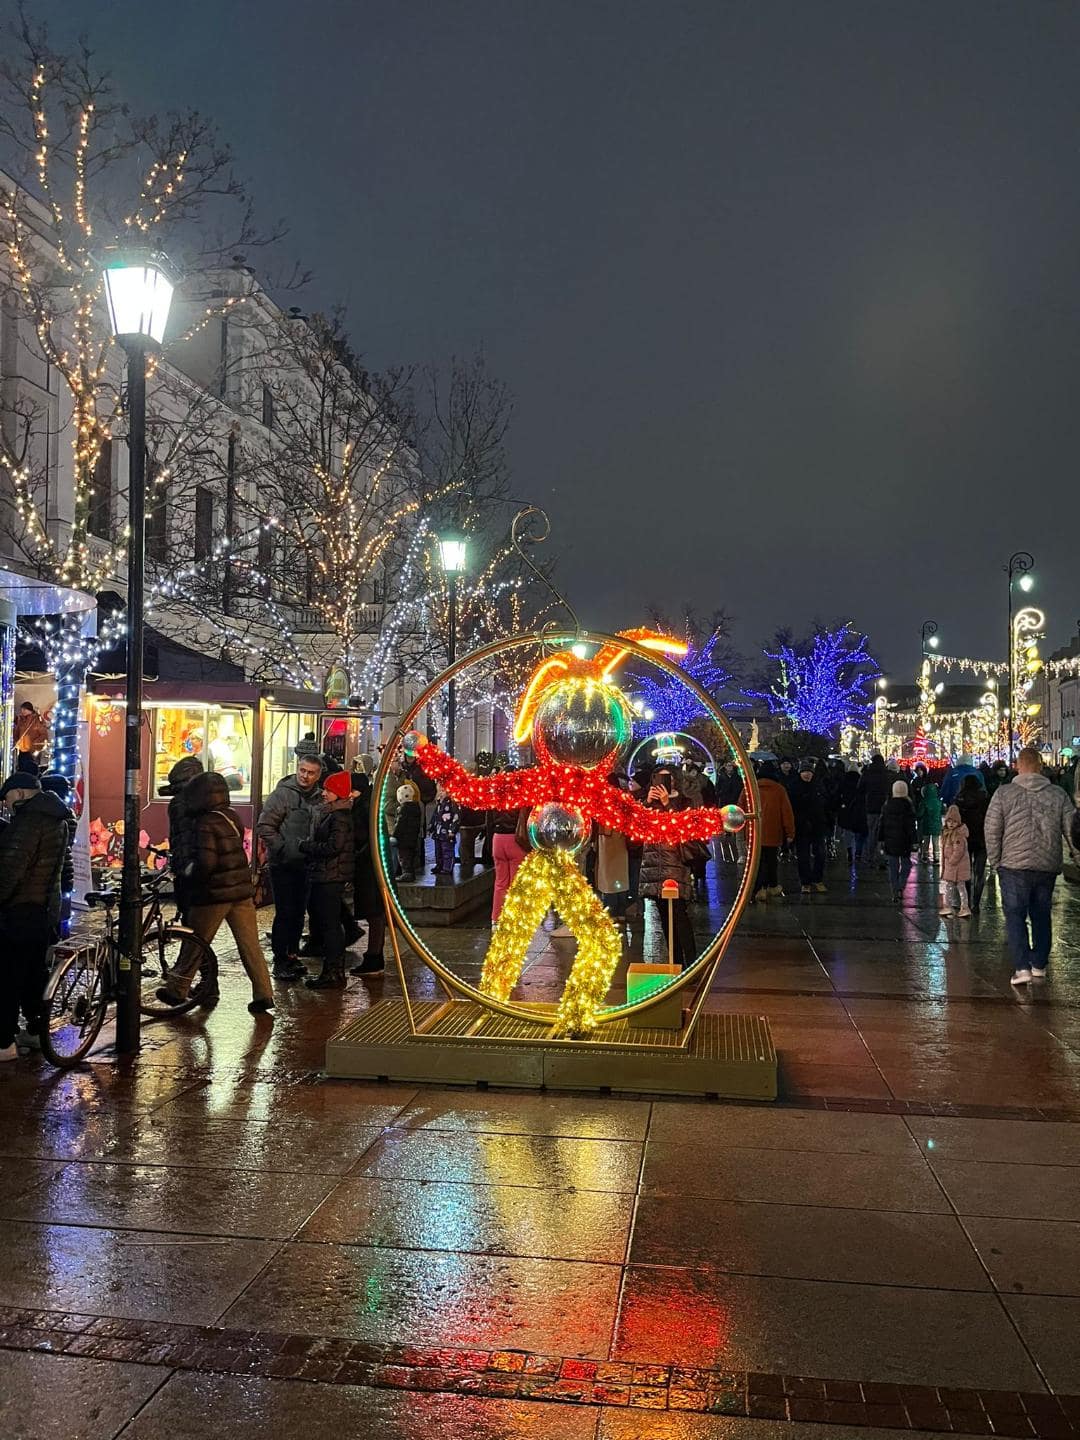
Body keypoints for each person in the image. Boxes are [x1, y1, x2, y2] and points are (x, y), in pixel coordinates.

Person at [157, 772, 274, 1014]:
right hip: (240, 890)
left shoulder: (205, 823)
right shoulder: (230, 816)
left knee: (196, 942)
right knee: (250, 944)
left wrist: (189, 873)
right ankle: (264, 993)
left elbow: (206, 863)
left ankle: (177, 989)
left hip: (214, 894)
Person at [986, 746, 1077, 985]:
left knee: (1015, 915)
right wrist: (1076, 856)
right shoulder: (1058, 794)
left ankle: (1021, 967)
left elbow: (992, 829)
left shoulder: (1004, 794)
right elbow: (1073, 830)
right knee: (1041, 913)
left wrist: (996, 860)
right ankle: (1038, 963)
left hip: (1013, 864)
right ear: (1040, 766)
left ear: (1018, 765)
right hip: (1046, 865)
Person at [0, 773, 69, 1060]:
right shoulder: (56, 817)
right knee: (31, 976)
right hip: (42, 910)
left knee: (7, 978)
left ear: (18, 793)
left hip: (18, 912)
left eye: (7, 798)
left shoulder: (29, 822)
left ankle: (4, 1043)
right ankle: (35, 1031)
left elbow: (10, 871)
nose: (6, 805)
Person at [256, 755, 324, 980]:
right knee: (285, 912)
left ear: (318, 775)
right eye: (302, 770)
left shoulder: (318, 797)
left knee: (298, 912)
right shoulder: (283, 794)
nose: (305, 776)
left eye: (310, 772)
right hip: (283, 864)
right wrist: (282, 848)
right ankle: (280, 958)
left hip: (307, 863)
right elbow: (265, 826)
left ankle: (292, 955)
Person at [301, 770, 355, 989]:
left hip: (329, 876)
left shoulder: (339, 817)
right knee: (330, 923)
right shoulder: (335, 813)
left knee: (330, 924)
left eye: (328, 790)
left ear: (338, 793)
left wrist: (306, 846)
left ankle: (333, 971)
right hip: (328, 874)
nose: (323, 793)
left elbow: (334, 847)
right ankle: (333, 970)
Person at [639, 767, 696, 965]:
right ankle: (676, 962)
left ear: (675, 780)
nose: (664, 782)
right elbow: (636, 829)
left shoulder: (684, 802)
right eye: (659, 777)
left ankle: (691, 962)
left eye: (668, 777)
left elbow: (683, 830)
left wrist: (667, 803)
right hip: (654, 870)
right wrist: (647, 803)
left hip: (675, 867)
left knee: (679, 917)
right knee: (665, 919)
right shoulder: (648, 804)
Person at [348, 772, 386, 977]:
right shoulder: (369, 805)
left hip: (371, 870)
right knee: (375, 915)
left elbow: (365, 838)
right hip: (373, 869)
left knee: (375, 914)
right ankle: (374, 956)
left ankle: (374, 957)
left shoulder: (364, 809)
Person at [159, 757, 205, 923]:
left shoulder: (180, 802)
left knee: (190, 917)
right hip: (198, 867)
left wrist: (184, 866)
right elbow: (185, 835)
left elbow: (182, 837)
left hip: (188, 866)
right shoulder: (198, 800)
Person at [39, 772, 76, 940]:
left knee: (54, 919)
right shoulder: (66, 813)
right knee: (61, 917)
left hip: (54, 875)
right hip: (64, 874)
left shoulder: (54, 815)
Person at [753, 762, 795, 902]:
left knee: (757, 862)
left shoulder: (751, 788)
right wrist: (790, 833)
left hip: (755, 833)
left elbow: (741, 808)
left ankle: (759, 888)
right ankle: (771, 886)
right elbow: (787, 813)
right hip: (773, 832)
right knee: (771, 861)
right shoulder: (779, 790)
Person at [790, 760, 828, 894]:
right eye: (805, 771)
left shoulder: (818, 786)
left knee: (820, 853)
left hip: (818, 825)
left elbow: (825, 803)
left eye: (809, 772)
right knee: (803, 855)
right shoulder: (795, 787)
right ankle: (805, 882)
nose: (807, 774)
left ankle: (817, 879)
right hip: (802, 826)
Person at [955, 774, 990, 912]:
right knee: (979, 872)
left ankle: (967, 901)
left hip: (965, 840)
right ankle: (976, 903)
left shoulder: (959, 799)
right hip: (982, 839)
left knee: (966, 872)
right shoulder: (985, 798)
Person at [880, 779, 917, 902]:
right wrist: (915, 841)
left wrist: (880, 839)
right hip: (905, 841)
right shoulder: (908, 806)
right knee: (906, 864)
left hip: (890, 842)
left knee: (893, 866)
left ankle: (895, 890)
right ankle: (901, 886)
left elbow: (882, 824)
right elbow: (911, 826)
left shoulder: (887, 805)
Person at [491, 804, 528, 923]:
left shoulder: (495, 796)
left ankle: (496, 919)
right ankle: (513, 918)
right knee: (515, 883)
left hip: (497, 839)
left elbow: (489, 821)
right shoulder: (521, 796)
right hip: (515, 839)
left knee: (500, 883)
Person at [940, 803, 972, 917]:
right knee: (953, 886)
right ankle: (952, 906)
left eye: (954, 821)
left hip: (956, 867)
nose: (951, 824)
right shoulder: (948, 834)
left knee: (957, 887)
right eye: (949, 821)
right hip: (952, 867)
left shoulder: (957, 835)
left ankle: (958, 907)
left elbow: (958, 851)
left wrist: (951, 861)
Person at [859, 754, 891, 863]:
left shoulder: (867, 773)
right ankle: (882, 857)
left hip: (870, 806)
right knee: (883, 833)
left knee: (872, 831)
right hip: (884, 806)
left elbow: (860, 788)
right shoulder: (886, 774)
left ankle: (870, 856)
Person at [837, 762, 868, 865]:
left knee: (847, 831)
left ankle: (849, 850)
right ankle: (858, 853)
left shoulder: (843, 779)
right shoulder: (861, 779)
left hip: (845, 808)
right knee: (858, 832)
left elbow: (837, 793)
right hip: (857, 808)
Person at [393, 783, 422, 882]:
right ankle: (410, 872)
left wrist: (395, 834)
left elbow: (400, 824)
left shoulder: (403, 809)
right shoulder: (415, 807)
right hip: (412, 838)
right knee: (410, 856)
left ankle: (407, 873)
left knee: (404, 857)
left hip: (404, 839)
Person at [431, 781, 460, 877]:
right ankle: (439, 865)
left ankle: (447, 867)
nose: (441, 793)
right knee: (438, 851)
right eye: (439, 790)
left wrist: (453, 830)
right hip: (438, 832)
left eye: (443, 791)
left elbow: (456, 817)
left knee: (447, 850)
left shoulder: (452, 803)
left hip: (447, 832)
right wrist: (431, 826)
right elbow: (435, 816)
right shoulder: (439, 804)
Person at [13, 701, 48, 774]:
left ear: (30, 710)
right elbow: (17, 732)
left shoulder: (37, 720)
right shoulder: (21, 720)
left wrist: (34, 744)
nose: (22, 711)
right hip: (22, 749)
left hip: (33, 751)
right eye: (22, 709)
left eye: (25, 709)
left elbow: (43, 735)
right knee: (21, 769)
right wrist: (16, 741)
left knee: (31, 769)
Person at [916, 779, 943, 863]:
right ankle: (936, 857)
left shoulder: (924, 802)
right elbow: (942, 811)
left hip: (926, 825)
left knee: (926, 841)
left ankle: (925, 856)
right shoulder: (939, 802)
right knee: (936, 842)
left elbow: (920, 814)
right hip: (936, 825)